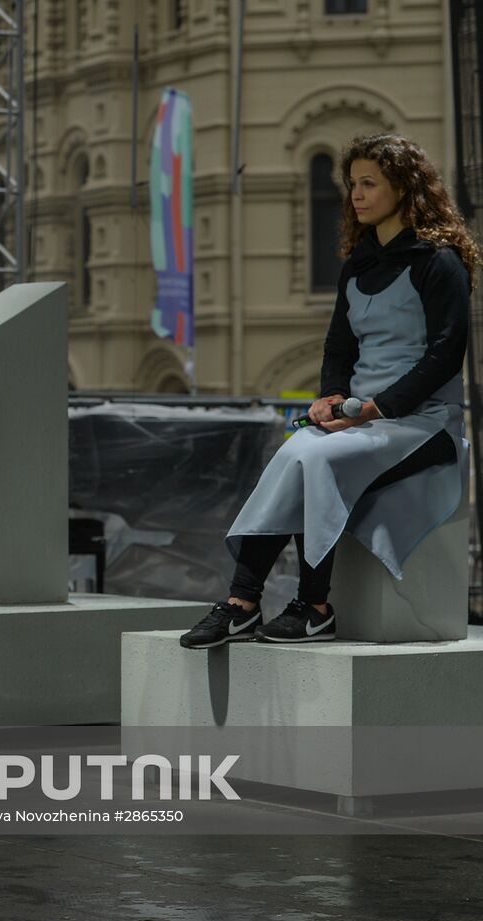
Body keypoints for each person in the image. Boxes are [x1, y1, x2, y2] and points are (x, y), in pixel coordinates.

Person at [180, 133, 476, 649]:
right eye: (352, 185)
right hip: (363, 417)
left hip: (424, 424)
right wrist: (331, 394)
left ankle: (312, 607)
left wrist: (374, 409)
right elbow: (338, 347)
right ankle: (243, 602)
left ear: (404, 189)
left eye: (369, 184)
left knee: (316, 459)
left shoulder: (439, 262)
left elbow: (446, 355)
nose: (356, 195)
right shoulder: (357, 264)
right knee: (296, 448)